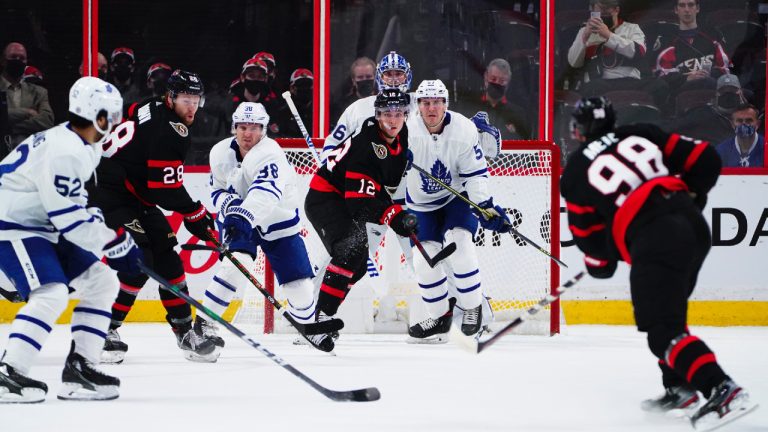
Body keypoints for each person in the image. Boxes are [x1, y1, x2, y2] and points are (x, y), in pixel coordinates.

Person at [561, 96, 758, 430]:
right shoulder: (640, 132)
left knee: (662, 331)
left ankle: (721, 388)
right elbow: (706, 159)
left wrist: (599, 261)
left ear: (579, 131)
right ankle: (680, 387)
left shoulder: (576, 171)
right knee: (670, 317)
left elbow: (594, 247)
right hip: (693, 227)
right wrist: (691, 199)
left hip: (655, 239)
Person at [0, 77, 143, 402]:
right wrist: (116, 242)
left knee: (103, 281)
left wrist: (113, 238)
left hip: (39, 222)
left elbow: (74, 207)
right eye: (113, 117)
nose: (115, 125)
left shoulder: (79, 144)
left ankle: (80, 369)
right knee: (50, 292)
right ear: (101, 117)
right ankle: (9, 372)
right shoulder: (67, 151)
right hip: (12, 222)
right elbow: (70, 218)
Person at [88, 69, 218, 364]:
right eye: (185, 99)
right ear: (170, 97)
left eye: (196, 99)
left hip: (134, 194)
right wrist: (195, 212)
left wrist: (191, 212)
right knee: (139, 259)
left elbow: (156, 182)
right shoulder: (171, 130)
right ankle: (102, 330)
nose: (191, 106)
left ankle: (185, 330)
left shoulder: (150, 104)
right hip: (109, 193)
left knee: (167, 257)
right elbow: (164, 190)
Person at [199, 102, 337, 353]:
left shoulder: (270, 153)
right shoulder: (219, 153)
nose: (247, 133)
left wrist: (242, 214)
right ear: (234, 128)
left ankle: (307, 325)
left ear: (263, 129)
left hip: (276, 217)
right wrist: (229, 205)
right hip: (241, 219)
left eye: (254, 127)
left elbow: (265, 194)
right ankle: (205, 323)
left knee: (299, 283)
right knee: (235, 263)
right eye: (242, 126)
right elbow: (216, 190)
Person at [304, 89, 415, 342]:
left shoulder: (401, 134)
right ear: (377, 115)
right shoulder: (366, 147)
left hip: (347, 195)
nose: (393, 119)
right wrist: (393, 215)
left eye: (398, 113)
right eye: (387, 113)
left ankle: (325, 314)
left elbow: (385, 180)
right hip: (326, 198)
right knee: (349, 249)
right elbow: (360, 206)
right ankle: (320, 317)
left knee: (359, 261)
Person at [404, 80, 511, 341]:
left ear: (445, 104)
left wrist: (484, 206)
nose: (432, 108)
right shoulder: (406, 130)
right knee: (423, 261)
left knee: (460, 244)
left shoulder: (463, 129)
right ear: (418, 106)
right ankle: (440, 317)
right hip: (421, 205)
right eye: (426, 102)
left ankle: (472, 306)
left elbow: (475, 173)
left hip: (457, 198)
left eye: (437, 102)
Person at [567, 0, 668, 108]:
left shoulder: (632, 28)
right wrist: (584, 37)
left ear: (616, 10)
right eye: (600, 9)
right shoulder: (584, 31)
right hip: (601, 81)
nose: (604, 13)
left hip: (630, 80)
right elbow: (574, 63)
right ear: (592, 9)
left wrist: (608, 35)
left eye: (607, 9)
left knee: (659, 86)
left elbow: (639, 51)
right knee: (591, 88)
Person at [653, 0, 730, 94]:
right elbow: (661, 75)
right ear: (676, 10)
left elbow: (725, 68)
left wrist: (707, 74)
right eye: (682, 5)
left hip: (714, 88)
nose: (686, 10)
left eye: (690, 5)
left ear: (697, 8)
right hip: (682, 92)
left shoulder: (713, 35)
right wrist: (686, 78)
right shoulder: (666, 41)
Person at [454, 58, 531, 140]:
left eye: (502, 81)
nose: (497, 83)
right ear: (486, 77)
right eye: (493, 78)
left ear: (508, 82)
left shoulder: (518, 114)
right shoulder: (468, 108)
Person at [0, 42, 54, 150]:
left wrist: (8, 127)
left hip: (28, 156)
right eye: (13, 57)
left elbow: (47, 121)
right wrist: (28, 112)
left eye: (22, 58)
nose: (18, 60)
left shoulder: (39, 92)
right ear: (3, 60)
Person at [673, 74, 747, 145]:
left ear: (740, 92)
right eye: (723, 91)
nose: (728, 94)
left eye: (732, 90)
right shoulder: (702, 113)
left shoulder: (749, 115)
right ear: (717, 93)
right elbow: (677, 127)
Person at [330, 56, 377, 126]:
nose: (365, 80)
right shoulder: (343, 107)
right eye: (360, 77)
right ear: (353, 80)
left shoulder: (383, 102)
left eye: (368, 76)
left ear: (376, 77)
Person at [715, 104, 764, 168]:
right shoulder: (721, 150)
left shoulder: (765, 147)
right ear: (732, 124)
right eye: (739, 121)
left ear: (758, 124)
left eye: (749, 120)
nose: (744, 124)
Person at [273, 68, 314, 138]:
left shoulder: (319, 113)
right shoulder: (283, 113)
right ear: (292, 88)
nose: (305, 88)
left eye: (308, 84)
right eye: (301, 85)